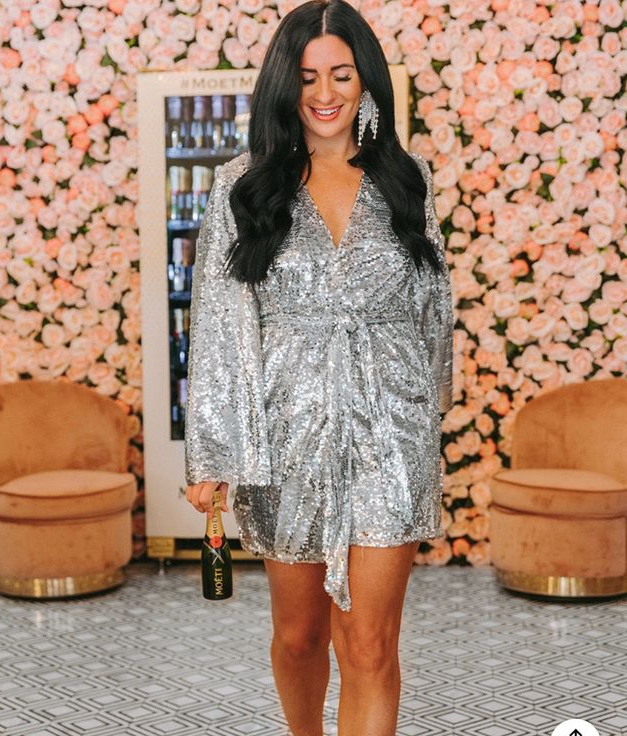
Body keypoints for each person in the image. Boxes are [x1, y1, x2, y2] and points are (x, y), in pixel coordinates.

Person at [184, 0, 454, 733]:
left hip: (390, 435)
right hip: (286, 438)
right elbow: (220, 320)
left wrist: (423, 414)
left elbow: (435, 309)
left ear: (368, 81)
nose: (326, 92)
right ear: (284, 84)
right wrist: (215, 448)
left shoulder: (408, 179)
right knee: (300, 636)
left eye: (343, 73)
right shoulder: (245, 185)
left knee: (369, 644)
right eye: (308, 76)